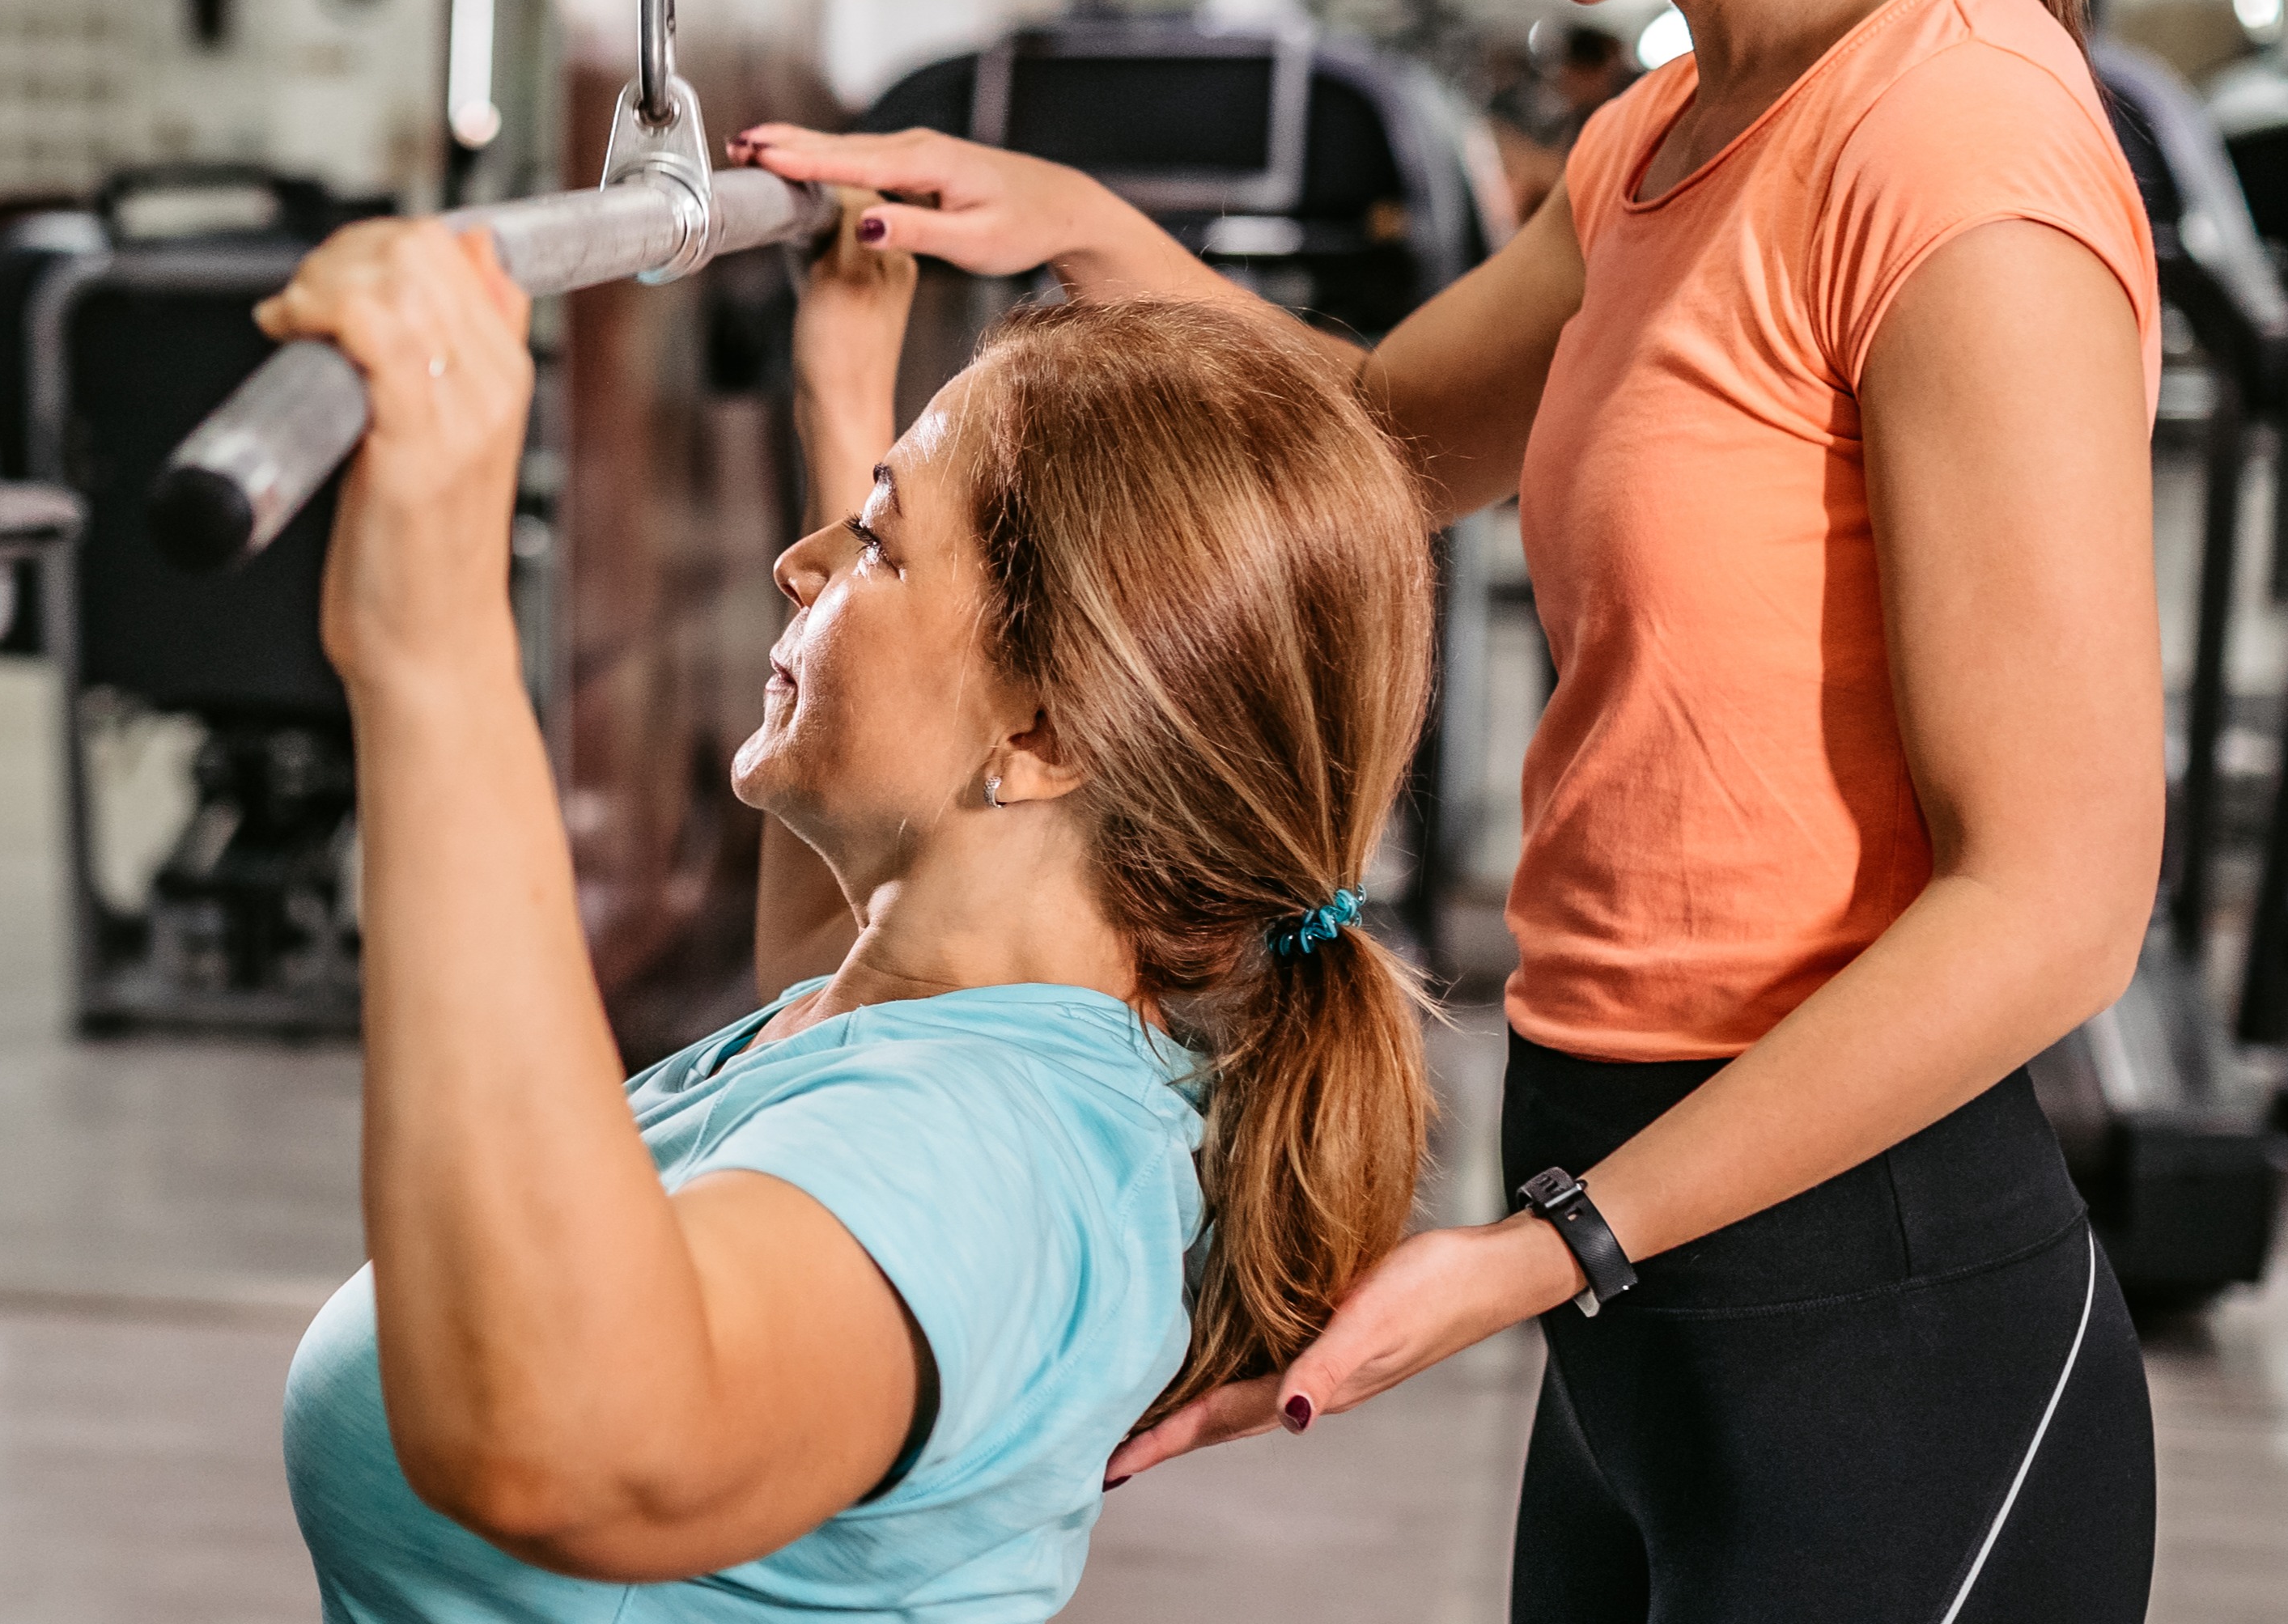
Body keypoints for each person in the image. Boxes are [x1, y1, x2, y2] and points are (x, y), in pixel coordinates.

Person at [740, 0, 2170, 1624]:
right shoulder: (1665, 135)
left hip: (1861, 1299)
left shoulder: (1957, 152)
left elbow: (2056, 903)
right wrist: (1081, 237)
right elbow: (1382, 447)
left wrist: (1536, 1253)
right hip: (1630, 1246)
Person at [257, 208, 1441, 1620]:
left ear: (1043, 734)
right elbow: (841, 994)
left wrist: (434, 642)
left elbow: (576, 1452)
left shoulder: (986, 1160)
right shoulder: (965, 1012)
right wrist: (842, 392)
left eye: (873, 547)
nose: (797, 563)